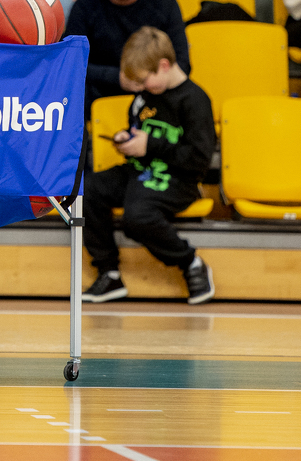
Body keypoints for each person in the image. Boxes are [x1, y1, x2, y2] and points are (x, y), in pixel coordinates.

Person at [82, 27, 216, 305]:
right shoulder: (144, 96)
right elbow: (139, 132)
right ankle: (109, 273)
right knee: (89, 190)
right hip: (140, 171)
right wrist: (127, 140)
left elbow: (198, 159)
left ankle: (190, 262)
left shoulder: (195, 100)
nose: (141, 87)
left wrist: (150, 146)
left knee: (137, 217)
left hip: (179, 179)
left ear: (164, 65)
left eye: (144, 80)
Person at [64, 0, 190, 115]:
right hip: (101, 92)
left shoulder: (166, 5)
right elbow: (71, 62)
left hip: (155, 90)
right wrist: (116, 77)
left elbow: (182, 62)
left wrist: (149, 79)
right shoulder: (84, 7)